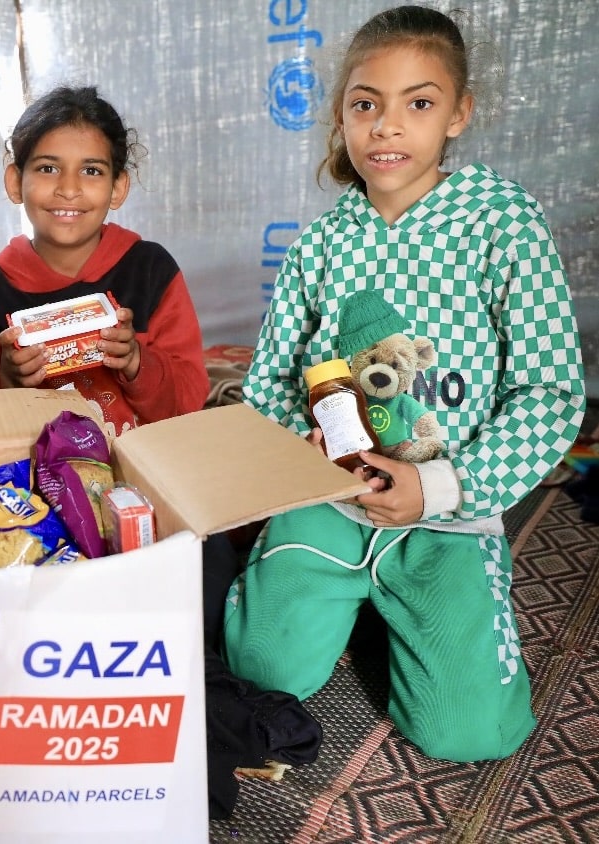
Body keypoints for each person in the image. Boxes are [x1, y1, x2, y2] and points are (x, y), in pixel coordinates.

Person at [225, 5, 585, 763]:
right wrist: (301, 444)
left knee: (470, 734)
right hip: (329, 497)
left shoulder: (501, 223)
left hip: (448, 512)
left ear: (458, 114)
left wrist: (441, 488)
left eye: (417, 104)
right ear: (342, 116)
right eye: (365, 105)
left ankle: (404, 601)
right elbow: (265, 387)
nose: (386, 128)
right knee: (263, 668)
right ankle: (340, 592)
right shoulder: (321, 245)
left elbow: (550, 394)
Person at [0, 85, 209, 436]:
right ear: (16, 182)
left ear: (118, 187)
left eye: (91, 171)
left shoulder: (151, 270)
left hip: (149, 474)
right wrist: (10, 381)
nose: (69, 188)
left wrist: (137, 361)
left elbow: (190, 402)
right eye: (48, 168)